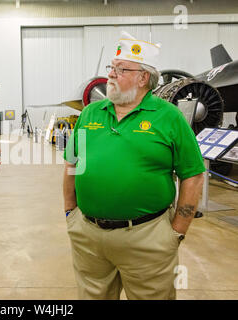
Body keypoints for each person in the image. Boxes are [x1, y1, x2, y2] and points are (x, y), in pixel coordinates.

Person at [63, 31, 205, 300]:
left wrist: (177, 231)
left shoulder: (170, 118)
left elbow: (193, 175)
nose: (111, 75)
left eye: (121, 69)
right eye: (111, 68)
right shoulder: (91, 113)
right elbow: (72, 163)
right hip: (88, 236)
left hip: (147, 238)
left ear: (143, 78)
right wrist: (70, 213)